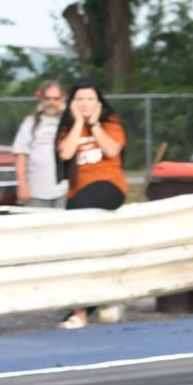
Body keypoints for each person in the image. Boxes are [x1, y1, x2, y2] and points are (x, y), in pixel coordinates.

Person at [55, 79, 128, 329]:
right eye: (80, 99)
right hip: (78, 193)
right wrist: (78, 122)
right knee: (82, 248)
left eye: (89, 99)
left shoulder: (111, 123)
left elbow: (111, 150)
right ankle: (85, 303)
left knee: (80, 213)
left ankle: (81, 311)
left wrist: (95, 124)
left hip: (109, 186)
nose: (85, 104)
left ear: (98, 102)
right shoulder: (68, 128)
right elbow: (65, 154)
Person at [10, 79, 67, 209]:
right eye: (48, 98)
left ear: (62, 98)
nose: (52, 103)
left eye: (56, 98)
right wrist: (22, 184)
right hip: (36, 192)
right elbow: (21, 155)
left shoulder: (67, 123)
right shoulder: (30, 123)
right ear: (41, 98)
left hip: (62, 191)